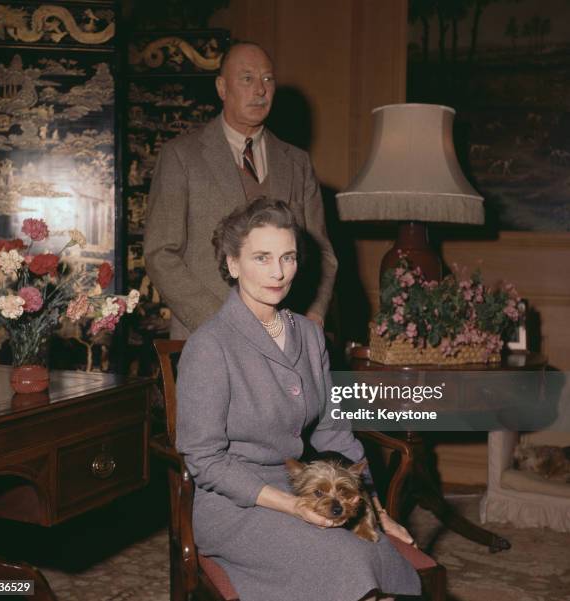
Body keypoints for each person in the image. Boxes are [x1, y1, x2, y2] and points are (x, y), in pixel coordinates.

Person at [176, 198, 421, 601]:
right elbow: (203, 459)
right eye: (262, 257)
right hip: (235, 504)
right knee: (346, 560)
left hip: (308, 487)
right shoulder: (209, 345)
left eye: (288, 258)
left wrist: (375, 506)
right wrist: (292, 506)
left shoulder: (308, 335)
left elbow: (333, 431)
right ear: (233, 264)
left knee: (377, 552)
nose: (278, 272)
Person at [144, 41, 337, 339]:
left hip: (287, 341)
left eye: (268, 79)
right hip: (209, 338)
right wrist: (224, 324)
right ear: (222, 88)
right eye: (247, 79)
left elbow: (321, 252)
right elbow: (160, 254)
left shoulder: (297, 162)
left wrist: (315, 314)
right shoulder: (180, 157)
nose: (260, 89)